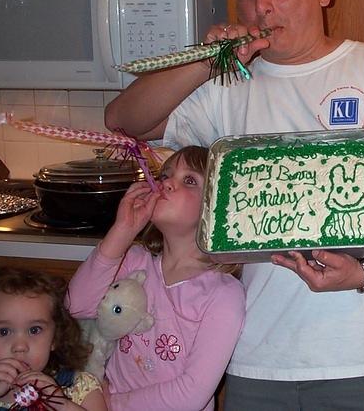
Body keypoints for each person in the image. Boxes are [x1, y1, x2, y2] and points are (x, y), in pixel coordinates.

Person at [104, 0, 364, 410]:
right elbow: (124, 121)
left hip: (363, 352)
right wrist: (207, 60)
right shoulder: (226, 85)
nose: (262, 4)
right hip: (253, 352)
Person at [66, 146, 245, 411]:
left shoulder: (223, 294)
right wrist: (123, 230)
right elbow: (76, 305)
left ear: (217, 208)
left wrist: (110, 404)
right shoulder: (135, 260)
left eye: (189, 180)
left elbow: (191, 395)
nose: (168, 183)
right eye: (166, 175)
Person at [0, 267, 106, 411]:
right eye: (3, 331)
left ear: (55, 337)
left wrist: (64, 406)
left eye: (34, 330)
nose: (20, 346)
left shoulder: (79, 387)